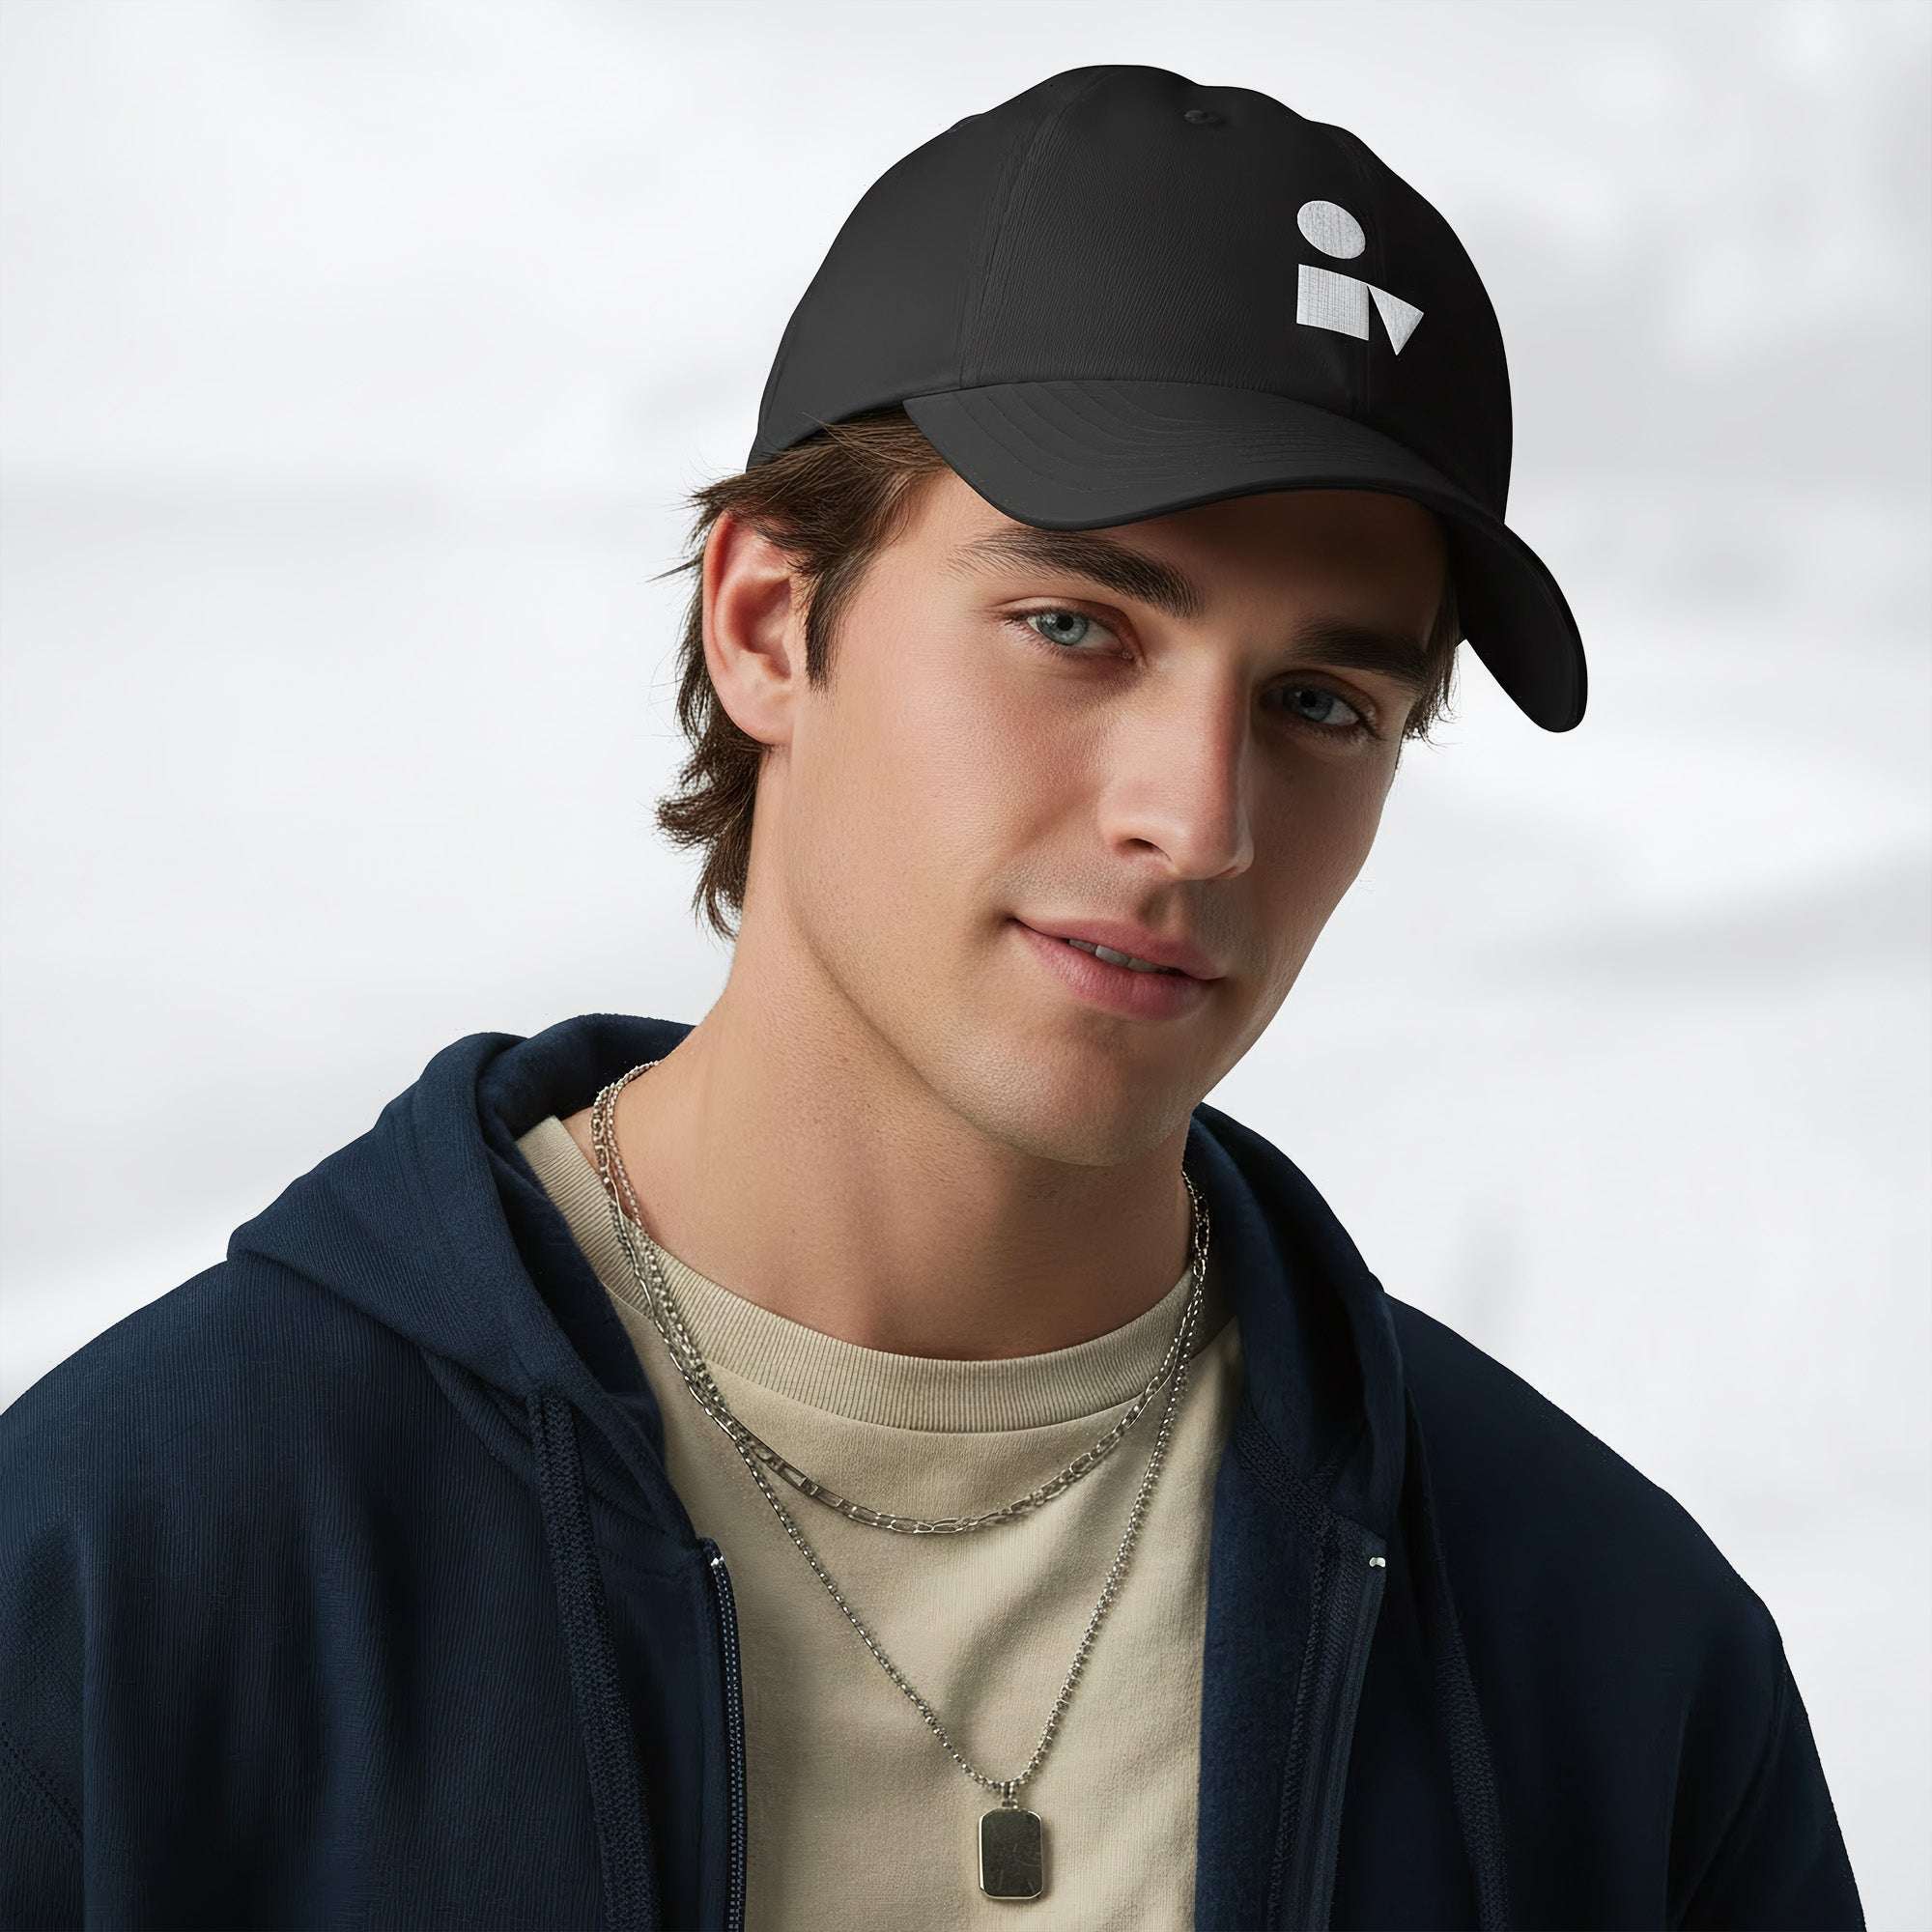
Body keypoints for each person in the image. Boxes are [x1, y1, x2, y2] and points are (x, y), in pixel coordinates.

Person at [0, 64, 1862, 1932]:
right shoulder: (132, 1561)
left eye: (1322, 705)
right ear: (765, 622)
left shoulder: (1610, 1655)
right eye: (1075, 627)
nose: (1198, 820)